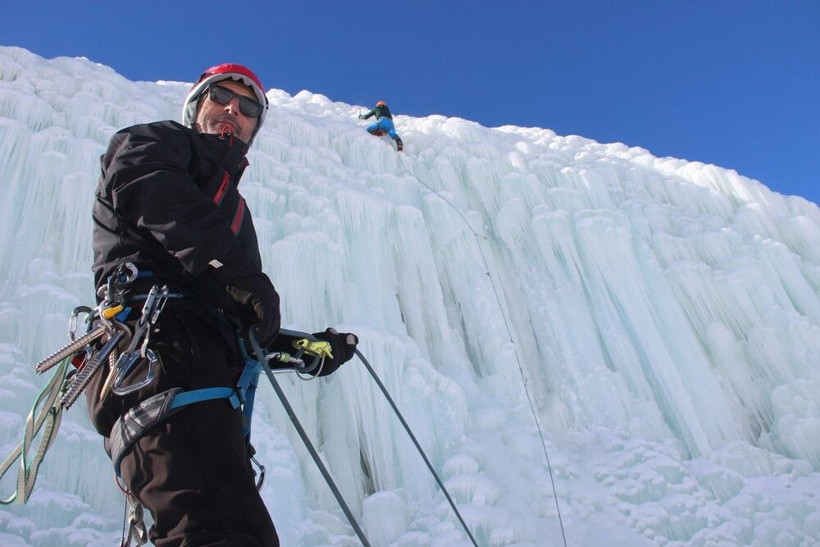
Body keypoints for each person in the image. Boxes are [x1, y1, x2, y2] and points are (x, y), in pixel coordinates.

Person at [87, 63, 358, 546]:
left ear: (255, 125)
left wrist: (298, 349)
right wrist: (241, 279)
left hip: (199, 376)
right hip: (159, 355)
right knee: (223, 534)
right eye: (220, 98)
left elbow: (234, 315)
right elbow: (155, 196)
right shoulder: (154, 143)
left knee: (223, 531)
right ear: (196, 107)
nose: (233, 110)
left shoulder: (233, 209)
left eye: (247, 107)